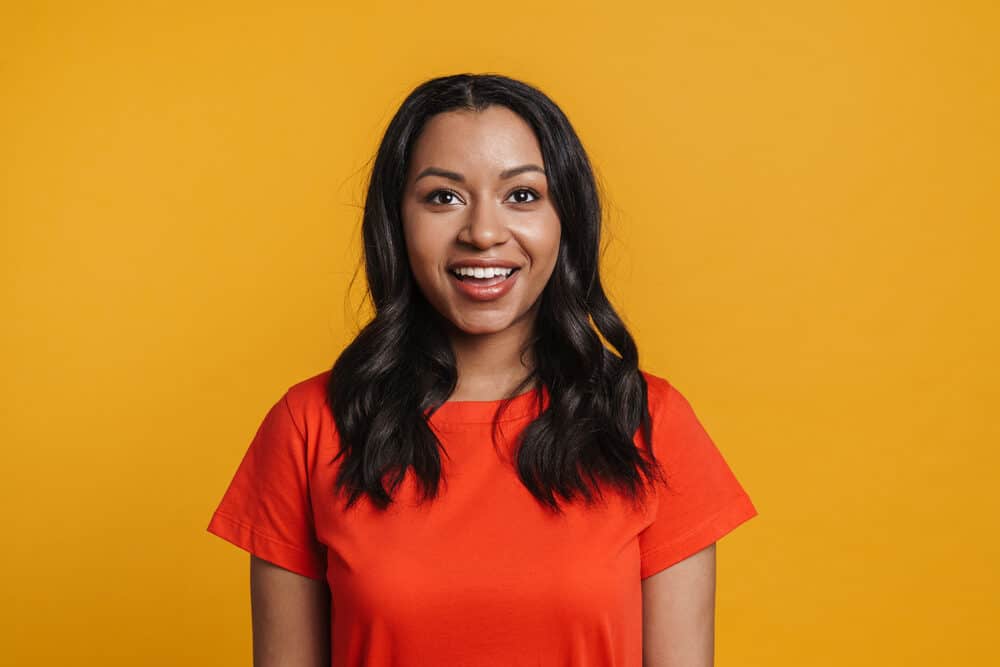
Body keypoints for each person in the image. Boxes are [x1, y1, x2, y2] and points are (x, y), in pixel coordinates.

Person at [207, 73, 758, 667]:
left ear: (565, 217)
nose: (484, 233)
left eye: (522, 195)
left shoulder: (649, 423)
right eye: (443, 197)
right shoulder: (309, 426)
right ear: (396, 221)